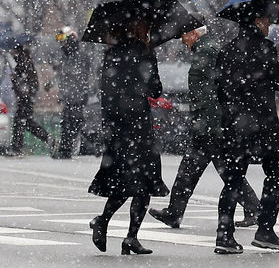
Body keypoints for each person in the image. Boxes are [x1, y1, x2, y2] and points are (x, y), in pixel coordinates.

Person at [149, 25, 260, 230]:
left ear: (194, 33)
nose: (183, 40)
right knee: (203, 170)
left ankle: (253, 208)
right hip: (207, 124)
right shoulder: (204, 49)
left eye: (184, 35)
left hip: (209, 125)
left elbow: (212, 91)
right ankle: (175, 212)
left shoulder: (207, 51)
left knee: (210, 170)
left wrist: (210, 125)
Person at [215, 9, 279, 253]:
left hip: (234, 124)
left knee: (233, 179)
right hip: (262, 124)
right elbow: (277, 80)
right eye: (267, 21)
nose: (269, 26)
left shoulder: (227, 51)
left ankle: (224, 235)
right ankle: (265, 230)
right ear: (257, 21)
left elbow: (218, 89)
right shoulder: (265, 48)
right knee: (274, 172)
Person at [88, 18, 169, 255]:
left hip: (118, 128)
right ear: (140, 27)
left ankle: (109, 224)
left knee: (124, 182)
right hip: (138, 126)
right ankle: (127, 234)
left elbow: (106, 93)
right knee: (143, 181)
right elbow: (155, 89)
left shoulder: (110, 54)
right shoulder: (144, 52)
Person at [9, 43, 54, 156]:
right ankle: (47, 138)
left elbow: (25, 84)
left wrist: (15, 80)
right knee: (25, 122)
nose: (12, 54)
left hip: (25, 99)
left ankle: (17, 149)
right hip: (26, 98)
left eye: (13, 52)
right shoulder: (24, 62)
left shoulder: (23, 63)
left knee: (21, 122)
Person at [53, 27, 90, 159]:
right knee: (70, 122)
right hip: (72, 96)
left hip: (75, 96)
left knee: (72, 122)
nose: (61, 44)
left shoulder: (76, 56)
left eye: (63, 39)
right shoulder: (68, 56)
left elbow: (74, 76)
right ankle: (67, 148)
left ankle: (67, 148)